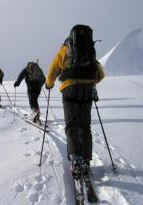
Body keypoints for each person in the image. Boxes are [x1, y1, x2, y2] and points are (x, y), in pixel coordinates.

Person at [45, 24, 105, 180]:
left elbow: (52, 70)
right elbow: (100, 74)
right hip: (87, 89)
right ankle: (85, 159)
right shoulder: (89, 52)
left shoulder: (64, 50)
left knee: (72, 124)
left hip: (70, 88)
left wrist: (49, 84)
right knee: (85, 125)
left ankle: (76, 158)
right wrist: (90, 82)